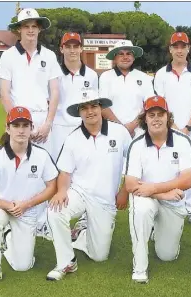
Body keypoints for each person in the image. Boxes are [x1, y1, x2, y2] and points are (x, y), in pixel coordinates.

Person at [46, 91, 132, 281]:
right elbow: (65, 172)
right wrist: (61, 191)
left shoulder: (120, 132)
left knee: (99, 256)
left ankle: (83, 231)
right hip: (80, 192)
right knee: (55, 210)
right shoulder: (73, 138)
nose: (90, 111)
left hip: (105, 200)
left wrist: (124, 191)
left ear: (101, 108)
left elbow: (134, 163)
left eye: (93, 106)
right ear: (79, 112)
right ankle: (66, 262)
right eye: (84, 108)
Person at [0, 106, 58, 288]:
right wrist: (8, 205)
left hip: (26, 210)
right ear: (7, 128)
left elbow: (53, 186)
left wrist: (26, 205)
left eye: (25, 125)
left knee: (23, 266)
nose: (21, 130)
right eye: (16, 125)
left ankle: (7, 234)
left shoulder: (41, 155)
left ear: (31, 128)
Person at [0, 8, 62, 237]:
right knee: (17, 170)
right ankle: (12, 218)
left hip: (43, 120)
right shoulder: (8, 56)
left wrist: (48, 123)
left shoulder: (50, 56)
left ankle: (43, 224)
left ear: (39, 29)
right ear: (19, 30)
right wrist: (18, 123)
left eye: (35, 26)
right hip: (19, 120)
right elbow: (5, 93)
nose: (31, 30)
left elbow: (54, 92)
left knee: (45, 173)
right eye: (26, 26)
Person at [124, 95, 191, 284]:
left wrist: (154, 188)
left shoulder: (182, 141)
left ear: (168, 117)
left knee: (167, 256)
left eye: (160, 114)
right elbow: (131, 185)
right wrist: (160, 193)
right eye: (151, 114)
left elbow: (188, 180)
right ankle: (140, 267)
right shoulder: (137, 144)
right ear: (144, 119)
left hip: (172, 201)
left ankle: (158, 229)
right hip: (147, 197)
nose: (156, 118)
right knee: (141, 209)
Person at [154, 32, 191, 223]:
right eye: (175, 46)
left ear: (188, 48)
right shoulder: (161, 74)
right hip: (168, 130)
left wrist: (188, 127)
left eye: (183, 46)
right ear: (170, 49)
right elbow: (161, 104)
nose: (179, 50)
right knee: (169, 167)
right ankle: (170, 205)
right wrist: (173, 127)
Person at [51, 32, 99, 161]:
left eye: (75, 46)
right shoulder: (54, 74)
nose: (72, 50)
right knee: (60, 166)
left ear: (81, 48)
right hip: (59, 128)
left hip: (83, 126)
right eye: (68, 47)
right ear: (62, 49)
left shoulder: (92, 75)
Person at [99, 40, 155, 137]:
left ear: (133, 57)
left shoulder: (144, 77)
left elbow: (149, 105)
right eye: (121, 54)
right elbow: (103, 106)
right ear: (115, 58)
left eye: (128, 54)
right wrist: (122, 128)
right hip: (113, 131)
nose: (125, 57)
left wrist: (132, 126)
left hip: (139, 131)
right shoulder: (105, 77)